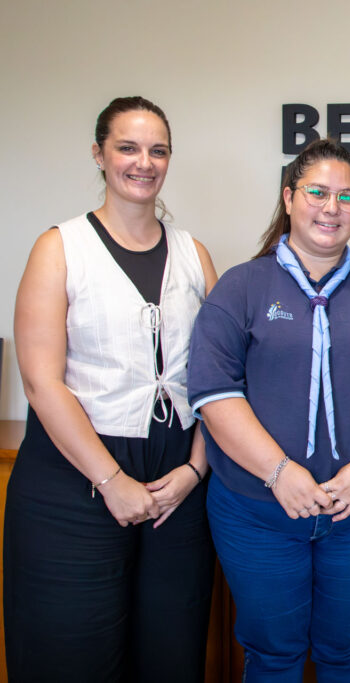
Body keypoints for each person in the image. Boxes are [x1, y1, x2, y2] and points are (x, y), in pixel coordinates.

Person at [187, 137, 350, 681]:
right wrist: (279, 472)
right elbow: (214, 393)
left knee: (349, 652)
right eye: (317, 192)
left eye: (347, 197)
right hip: (257, 512)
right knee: (273, 655)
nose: (331, 208)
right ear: (289, 197)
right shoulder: (240, 288)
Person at [4, 96, 218, 682]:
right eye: (127, 148)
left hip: (177, 483)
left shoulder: (194, 255)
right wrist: (111, 481)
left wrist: (195, 469)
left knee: (171, 655)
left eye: (157, 150)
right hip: (76, 479)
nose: (143, 162)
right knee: (73, 655)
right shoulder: (59, 248)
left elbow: (220, 378)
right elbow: (42, 382)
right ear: (99, 155)